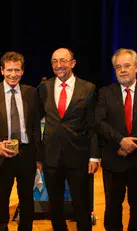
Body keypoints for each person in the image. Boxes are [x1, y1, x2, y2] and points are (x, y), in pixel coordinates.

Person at [95, 48, 137, 231]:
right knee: (112, 207)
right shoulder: (104, 93)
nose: (122, 70)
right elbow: (99, 122)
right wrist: (120, 141)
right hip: (114, 158)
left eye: (127, 66)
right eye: (118, 67)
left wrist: (131, 143)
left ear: (136, 68)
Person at [0, 51, 41, 231]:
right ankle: (2, 227)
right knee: (2, 197)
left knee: (27, 197)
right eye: (9, 70)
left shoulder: (31, 92)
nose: (13, 74)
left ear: (22, 72)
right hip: (1, 155)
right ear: (2, 71)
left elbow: (35, 125)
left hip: (26, 154)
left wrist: (38, 156)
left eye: (17, 70)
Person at [38, 48, 99, 231]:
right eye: (54, 61)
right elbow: (37, 123)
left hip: (79, 156)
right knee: (55, 205)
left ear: (73, 63)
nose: (59, 65)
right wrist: (38, 156)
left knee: (81, 204)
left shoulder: (88, 88)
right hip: (51, 157)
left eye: (63, 61)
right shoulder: (44, 88)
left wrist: (94, 156)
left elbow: (93, 125)